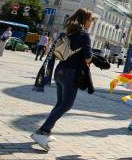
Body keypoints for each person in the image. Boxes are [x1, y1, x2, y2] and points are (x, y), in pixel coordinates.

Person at [30, 8, 94, 151]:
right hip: (71, 74)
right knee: (66, 105)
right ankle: (43, 132)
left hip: (59, 71)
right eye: (91, 20)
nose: (92, 23)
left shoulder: (66, 33)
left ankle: (45, 131)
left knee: (60, 103)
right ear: (85, 20)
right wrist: (91, 59)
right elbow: (88, 57)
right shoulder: (84, 36)